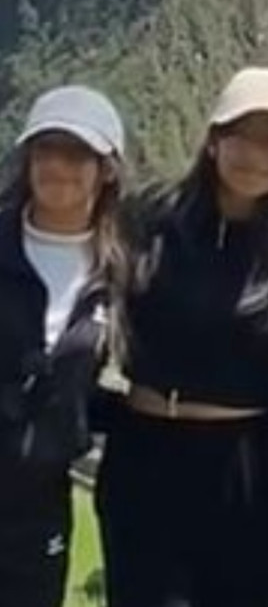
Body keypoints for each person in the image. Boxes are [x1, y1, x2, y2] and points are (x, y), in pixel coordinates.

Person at [95, 67, 268, 607]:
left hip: (242, 474)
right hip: (141, 457)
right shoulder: (149, 221)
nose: (255, 155)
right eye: (242, 134)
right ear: (214, 140)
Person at [0, 86, 126, 607]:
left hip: (41, 501)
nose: (58, 166)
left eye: (76, 154)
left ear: (106, 168)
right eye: (45, 149)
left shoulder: (121, 269)